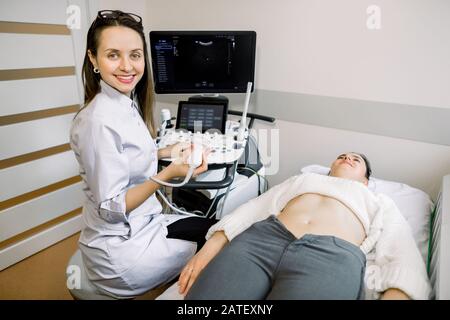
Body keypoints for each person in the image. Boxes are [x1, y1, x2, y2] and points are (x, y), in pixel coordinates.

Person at [70, 10, 215, 298]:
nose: (127, 66)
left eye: (135, 55)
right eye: (113, 55)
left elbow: (125, 156)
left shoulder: (123, 100)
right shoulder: (97, 121)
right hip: (121, 251)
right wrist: (168, 175)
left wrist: (164, 150)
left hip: (144, 225)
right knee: (218, 244)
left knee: (216, 229)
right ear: (93, 59)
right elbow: (111, 210)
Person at [178, 153, 431, 300]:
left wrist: (399, 291)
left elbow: (402, 249)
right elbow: (253, 209)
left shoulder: (378, 200)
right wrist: (208, 249)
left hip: (331, 256)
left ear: (366, 180)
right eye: (342, 155)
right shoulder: (304, 180)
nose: (347, 158)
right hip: (262, 240)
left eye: (356, 159)